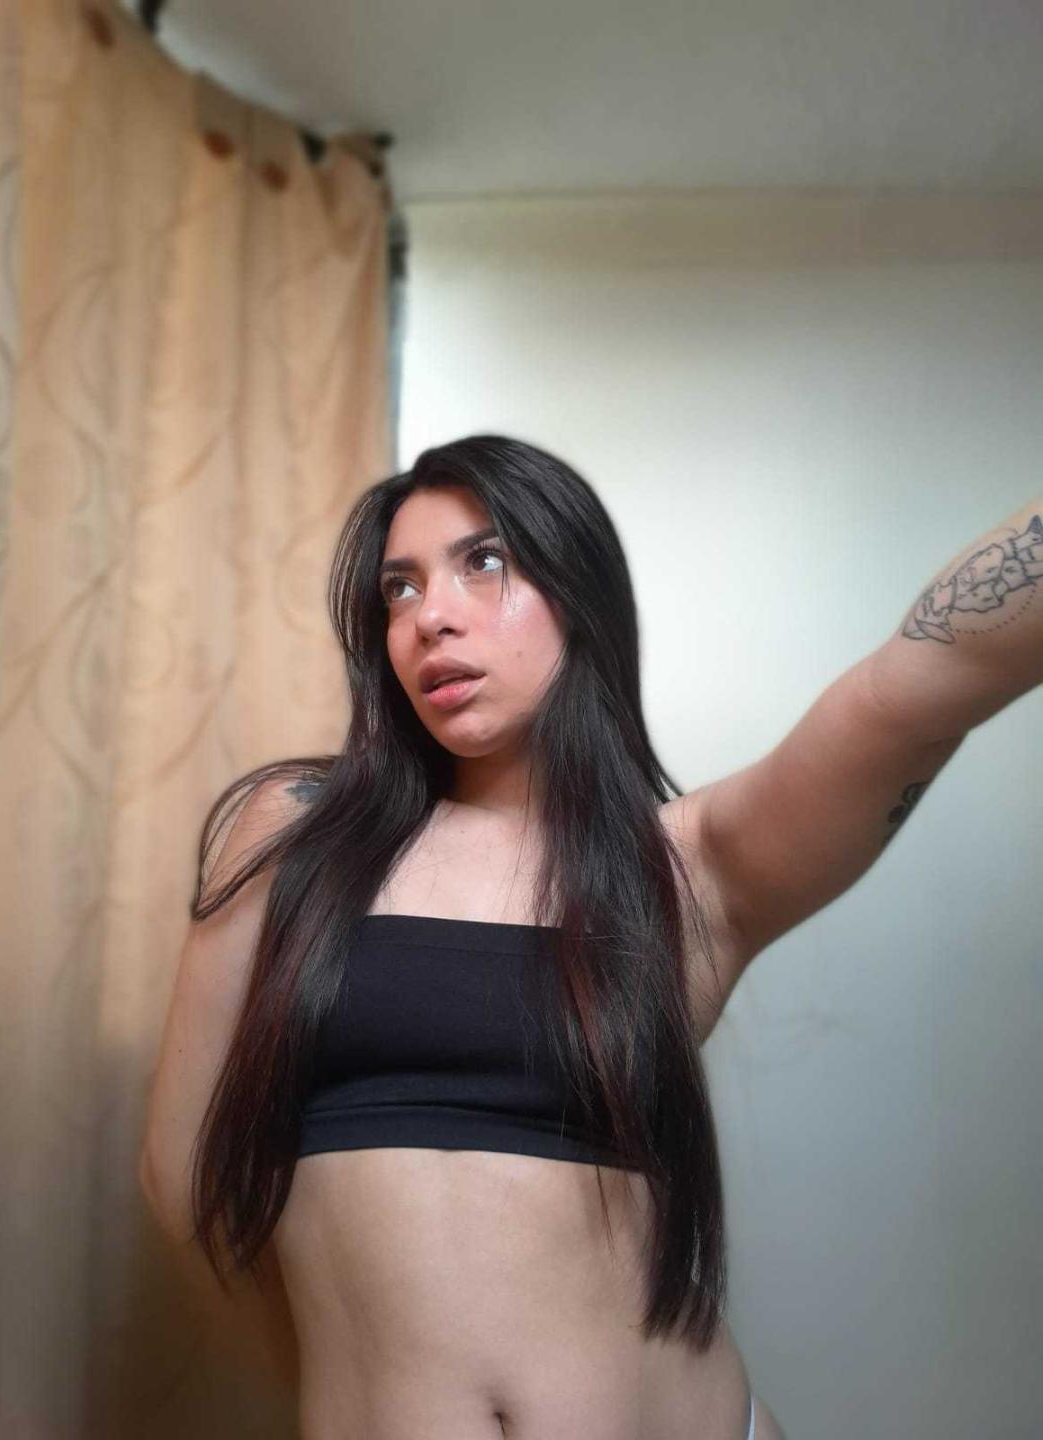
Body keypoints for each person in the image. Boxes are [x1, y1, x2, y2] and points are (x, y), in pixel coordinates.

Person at [143, 432, 1024, 1438]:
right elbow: (183, 1183)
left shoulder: (690, 870)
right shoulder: (294, 833)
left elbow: (923, 682)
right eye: (400, 588)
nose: (431, 615)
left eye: (484, 562)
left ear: (578, 592)